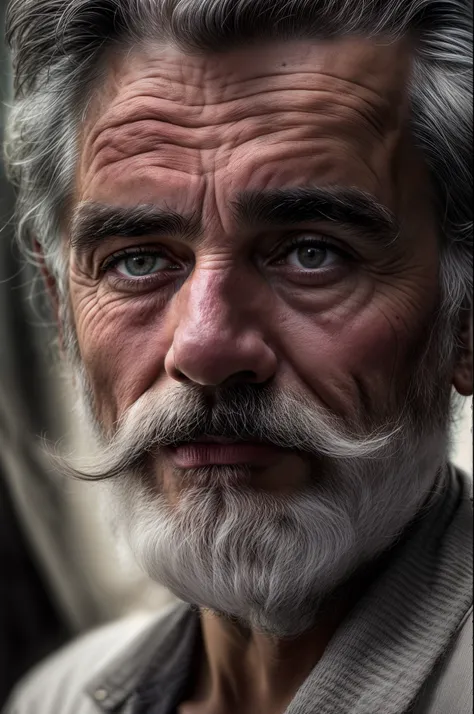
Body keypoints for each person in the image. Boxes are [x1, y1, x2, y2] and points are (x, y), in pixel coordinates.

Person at [2, 0, 472, 712]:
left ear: (464, 321)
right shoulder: (57, 699)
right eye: (136, 262)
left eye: (313, 254)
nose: (205, 347)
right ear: (62, 312)